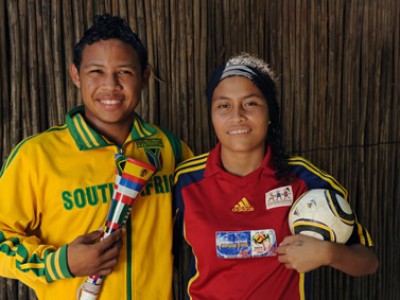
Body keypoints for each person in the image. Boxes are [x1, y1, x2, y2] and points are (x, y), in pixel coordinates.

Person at [0, 14, 193, 300]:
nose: (111, 85)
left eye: (125, 72)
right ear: (76, 74)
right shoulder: (37, 156)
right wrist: (61, 263)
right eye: (96, 72)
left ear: (145, 76)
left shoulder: (168, 149)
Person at [173, 53, 378, 300]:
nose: (237, 115)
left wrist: (328, 253)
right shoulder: (185, 181)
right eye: (223, 105)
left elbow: (369, 262)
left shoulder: (304, 180)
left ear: (270, 113)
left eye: (250, 103)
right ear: (211, 114)